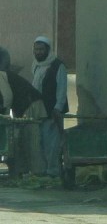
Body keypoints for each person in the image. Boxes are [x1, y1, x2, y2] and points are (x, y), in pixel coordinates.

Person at [31, 36, 68, 177]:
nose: (38, 52)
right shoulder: (35, 65)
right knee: (40, 142)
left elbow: (62, 89)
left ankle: (54, 172)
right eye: (36, 49)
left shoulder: (58, 66)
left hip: (53, 111)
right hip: (39, 110)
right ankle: (44, 171)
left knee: (52, 144)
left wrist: (57, 108)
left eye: (41, 50)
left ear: (48, 50)